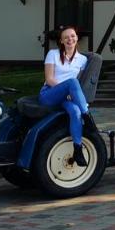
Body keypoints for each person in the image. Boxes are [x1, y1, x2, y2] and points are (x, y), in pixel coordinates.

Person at [38, 25, 92, 166]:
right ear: (61, 41)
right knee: (72, 82)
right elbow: (49, 79)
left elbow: (78, 84)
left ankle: (78, 149)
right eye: (66, 37)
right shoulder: (53, 54)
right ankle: (88, 116)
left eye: (72, 36)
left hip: (66, 97)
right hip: (50, 93)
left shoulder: (82, 60)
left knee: (75, 111)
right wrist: (66, 91)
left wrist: (70, 94)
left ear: (77, 38)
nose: (70, 39)